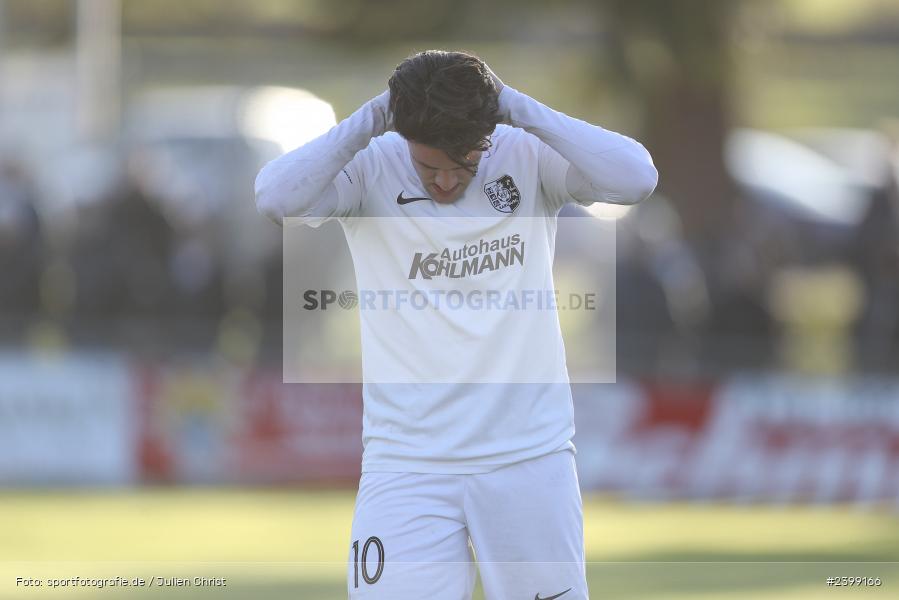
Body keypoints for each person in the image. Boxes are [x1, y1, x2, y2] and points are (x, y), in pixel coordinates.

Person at [255, 50, 657, 600]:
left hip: (529, 459)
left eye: (463, 162)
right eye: (428, 167)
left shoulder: (525, 153)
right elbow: (275, 196)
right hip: (405, 466)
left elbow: (636, 178)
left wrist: (512, 105)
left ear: (487, 138)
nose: (444, 181)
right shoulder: (373, 164)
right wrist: (375, 116)